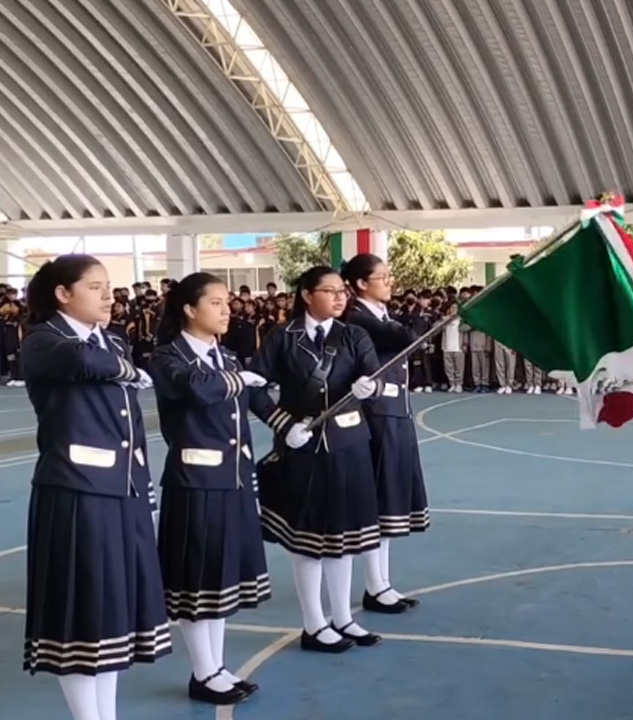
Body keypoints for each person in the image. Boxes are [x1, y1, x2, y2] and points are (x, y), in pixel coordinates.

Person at [20, 254, 171, 720]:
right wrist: (126, 368)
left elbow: (127, 426)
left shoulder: (109, 340)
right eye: (95, 287)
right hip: (76, 491)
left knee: (110, 616)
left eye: (109, 286)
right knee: (82, 617)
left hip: (119, 491)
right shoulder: (46, 339)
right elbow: (81, 360)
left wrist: (141, 487)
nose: (109, 295)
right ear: (62, 294)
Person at [149, 273, 273, 705]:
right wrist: (241, 380)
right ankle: (203, 673)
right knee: (197, 581)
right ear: (189, 309)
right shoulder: (168, 358)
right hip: (195, 482)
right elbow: (198, 391)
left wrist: (290, 424)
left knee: (221, 580)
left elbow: (256, 403)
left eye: (226, 302)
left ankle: (215, 667)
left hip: (233, 481)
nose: (227, 310)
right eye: (217, 303)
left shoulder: (226, 356)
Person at [250, 265, 384, 653]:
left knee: (342, 537)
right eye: (331, 291)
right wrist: (283, 423)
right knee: (308, 539)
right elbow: (254, 387)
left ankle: (343, 617)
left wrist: (369, 386)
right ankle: (314, 624)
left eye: (343, 291)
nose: (341, 297)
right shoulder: (282, 337)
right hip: (302, 449)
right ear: (307, 295)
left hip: (349, 447)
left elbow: (375, 377)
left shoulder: (354, 334)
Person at [341, 254, 428, 613]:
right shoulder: (359, 319)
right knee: (377, 502)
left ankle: (381, 583)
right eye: (382, 277)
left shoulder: (380, 316)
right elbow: (411, 339)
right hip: (376, 416)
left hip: (395, 413)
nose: (390, 282)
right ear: (361, 284)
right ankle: (375, 586)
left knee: (390, 503)